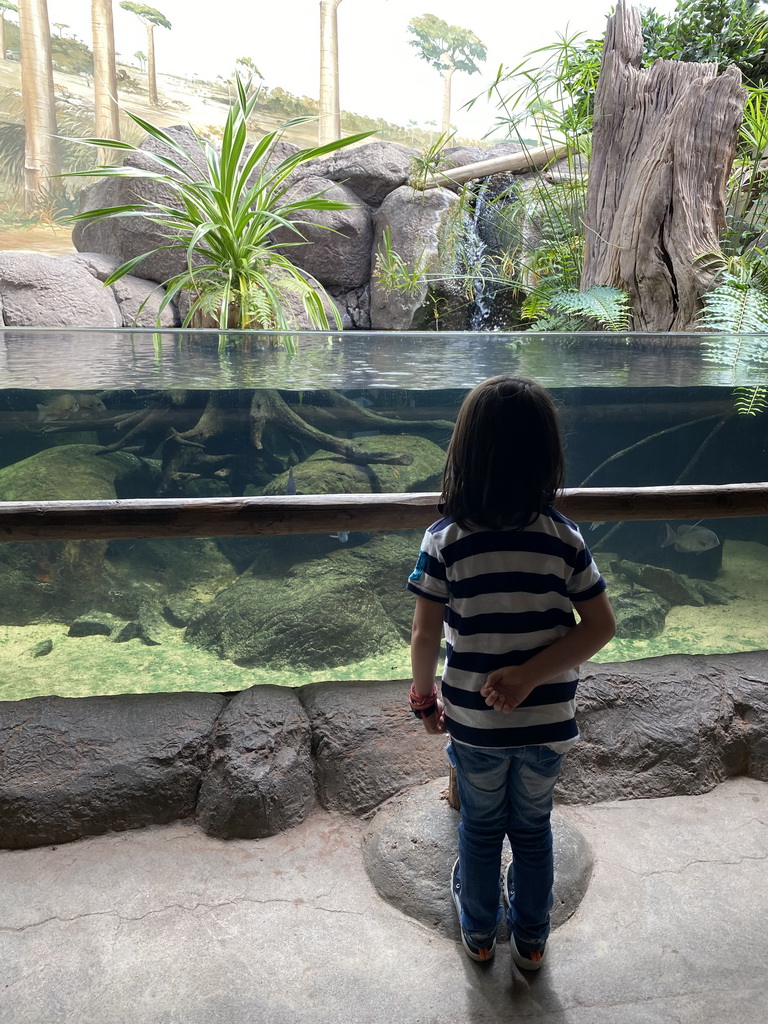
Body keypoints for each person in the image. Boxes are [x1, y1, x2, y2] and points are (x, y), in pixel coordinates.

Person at [407, 375, 615, 970]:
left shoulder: (444, 540)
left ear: (463, 452)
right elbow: (600, 626)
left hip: (474, 724)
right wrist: (530, 675)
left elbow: (425, 635)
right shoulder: (565, 538)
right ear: (547, 453)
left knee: (478, 827)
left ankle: (478, 933)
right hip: (548, 721)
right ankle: (531, 940)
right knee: (532, 829)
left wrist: (425, 701)